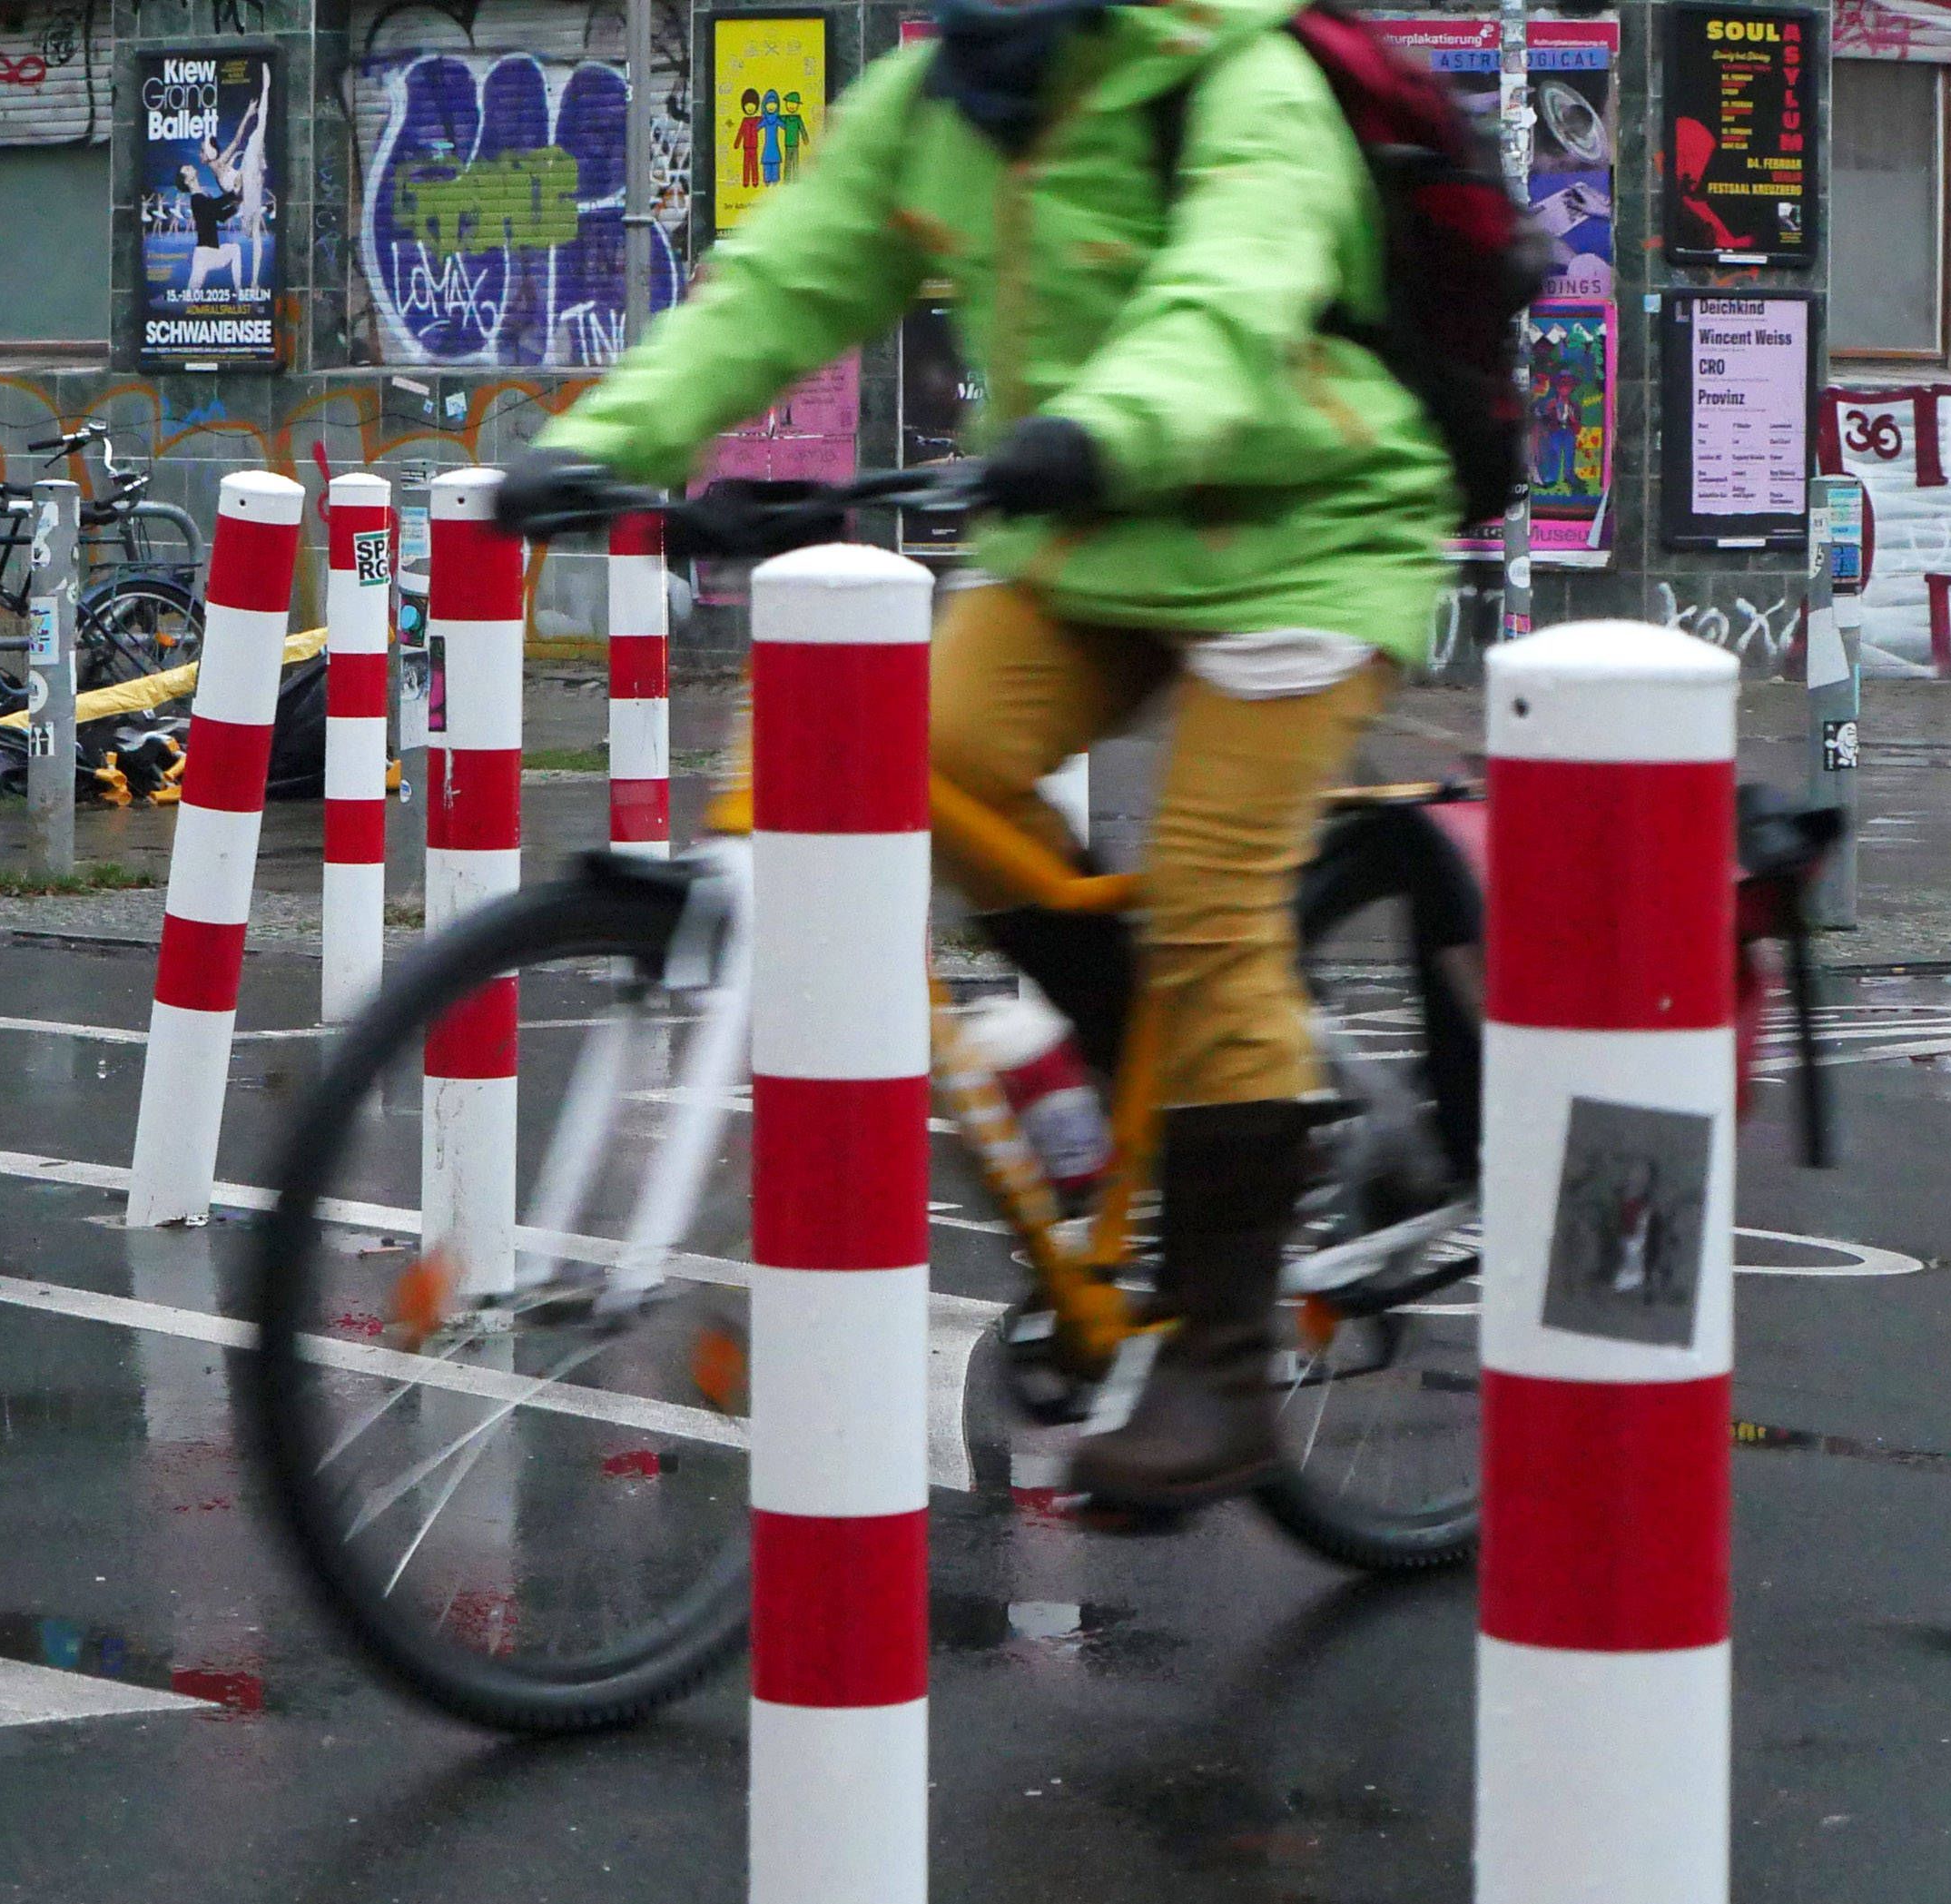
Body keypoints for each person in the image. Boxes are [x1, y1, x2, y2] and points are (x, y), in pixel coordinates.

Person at [498, 0, 1455, 1514]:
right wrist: (608, 441)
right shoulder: (935, 102)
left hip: (1310, 533)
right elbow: (784, 283)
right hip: (1086, 537)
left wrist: (1097, 427)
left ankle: (1220, 1361)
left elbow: (1230, 295)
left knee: (1209, 903)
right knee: (911, 757)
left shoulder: (1232, 74)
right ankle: (1156, 1066)